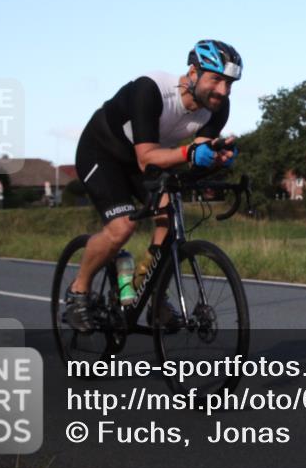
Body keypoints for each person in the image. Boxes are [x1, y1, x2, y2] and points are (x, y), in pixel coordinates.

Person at [65, 39, 242, 332]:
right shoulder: (151, 89)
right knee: (122, 227)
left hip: (148, 159)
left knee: (169, 218)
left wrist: (217, 158)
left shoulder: (217, 108)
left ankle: (151, 293)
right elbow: (148, 158)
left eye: (230, 83)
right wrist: (190, 153)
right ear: (193, 72)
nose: (223, 90)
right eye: (216, 80)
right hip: (102, 152)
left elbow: (196, 157)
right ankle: (78, 291)